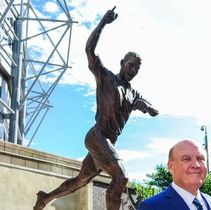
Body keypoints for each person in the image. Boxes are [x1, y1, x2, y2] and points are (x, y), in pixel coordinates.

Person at [33, 6, 158, 210]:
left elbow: (155, 111)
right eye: (131, 65)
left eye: (137, 67)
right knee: (121, 176)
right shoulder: (106, 78)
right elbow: (89, 50)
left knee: (80, 181)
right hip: (97, 136)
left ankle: (44, 198)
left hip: (108, 142)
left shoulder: (134, 93)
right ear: (122, 63)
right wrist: (102, 23)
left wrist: (146, 106)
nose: (134, 70)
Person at [138, 140, 211, 210]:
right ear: (170, 167)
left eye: (200, 158)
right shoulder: (151, 207)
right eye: (186, 159)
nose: (196, 165)